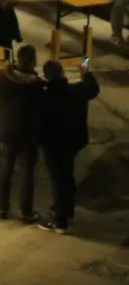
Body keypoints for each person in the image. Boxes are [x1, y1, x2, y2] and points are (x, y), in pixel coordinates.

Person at [37, 58, 101, 234]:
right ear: (63, 73)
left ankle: (60, 221)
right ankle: (68, 211)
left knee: (58, 180)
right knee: (67, 177)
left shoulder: (46, 95)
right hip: (73, 142)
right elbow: (93, 89)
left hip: (53, 144)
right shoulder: (76, 90)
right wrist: (86, 72)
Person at [0, 43, 42, 222]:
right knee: (26, 173)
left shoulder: (3, 78)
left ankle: (2, 208)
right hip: (27, 135)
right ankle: (26, 211)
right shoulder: (36, 85)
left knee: (5, 170)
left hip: (6, 131)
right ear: (31, 62)